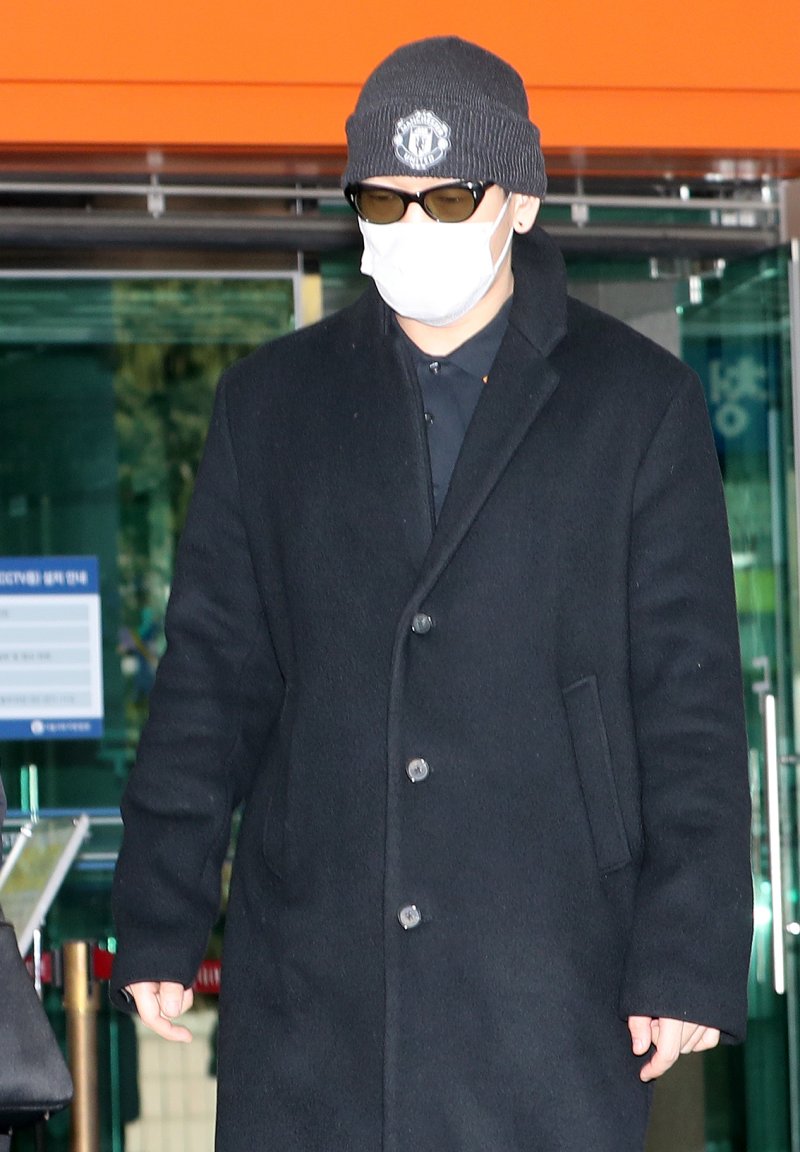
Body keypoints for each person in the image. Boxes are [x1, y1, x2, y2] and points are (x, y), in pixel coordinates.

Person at [111, 36, 753, 1152]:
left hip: (547, 978)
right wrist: (160, 916)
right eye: (382, 199)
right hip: (315, 986)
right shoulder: (270, 407)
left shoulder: (636, 404)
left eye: (447, 199)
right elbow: (211, 678)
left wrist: (687, 953)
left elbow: (687, 701)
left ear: (518, 203)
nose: (412, 227)